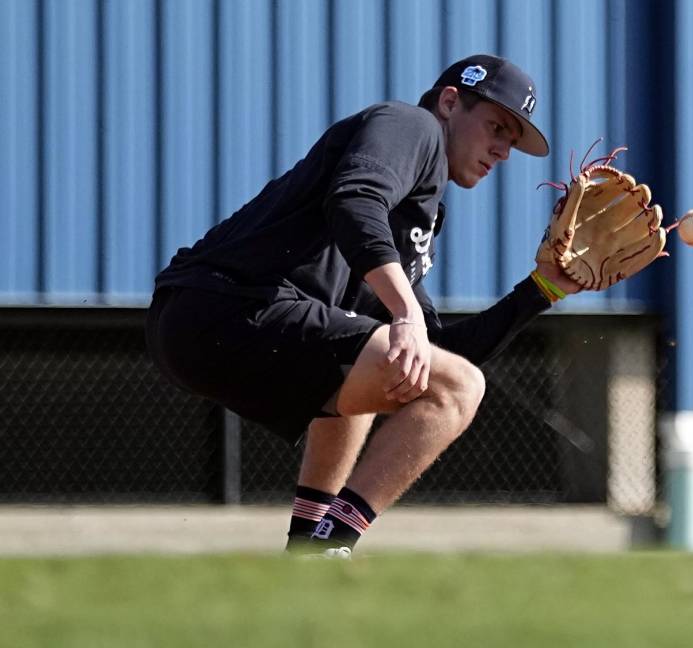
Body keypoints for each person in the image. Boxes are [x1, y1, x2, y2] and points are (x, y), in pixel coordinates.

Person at [146, 54, 581, 558]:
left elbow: (434, 355)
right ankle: (335, 544)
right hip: (225, 301)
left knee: (402, 367)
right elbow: (354, 198)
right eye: (496, 126)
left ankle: (308, 547)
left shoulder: (418, 214)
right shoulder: (412, 125)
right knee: (455, 382)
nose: (503, 149)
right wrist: (405, 312)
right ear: (449, 102)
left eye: (512, 139)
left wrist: (542, 290)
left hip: (206, 320)